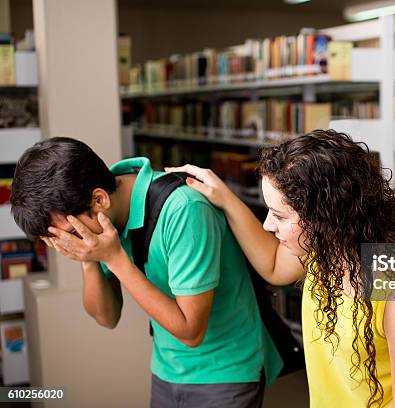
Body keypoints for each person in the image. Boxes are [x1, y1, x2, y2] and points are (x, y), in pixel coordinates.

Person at [166, 129, 395, 407]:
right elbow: (274, 267)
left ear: (326, 217)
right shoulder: (324, 249)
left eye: (280, 215)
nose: (267, 224)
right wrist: (225, 199)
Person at [10, 137, 282, 408]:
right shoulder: (105, 213)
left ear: (99, 199)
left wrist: (115, 258)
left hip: (225, 373)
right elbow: (106, 317)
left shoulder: (184, 209)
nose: (73, 241)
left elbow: (191, 331)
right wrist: (88, 258)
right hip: (166, 370)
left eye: (71, 234)